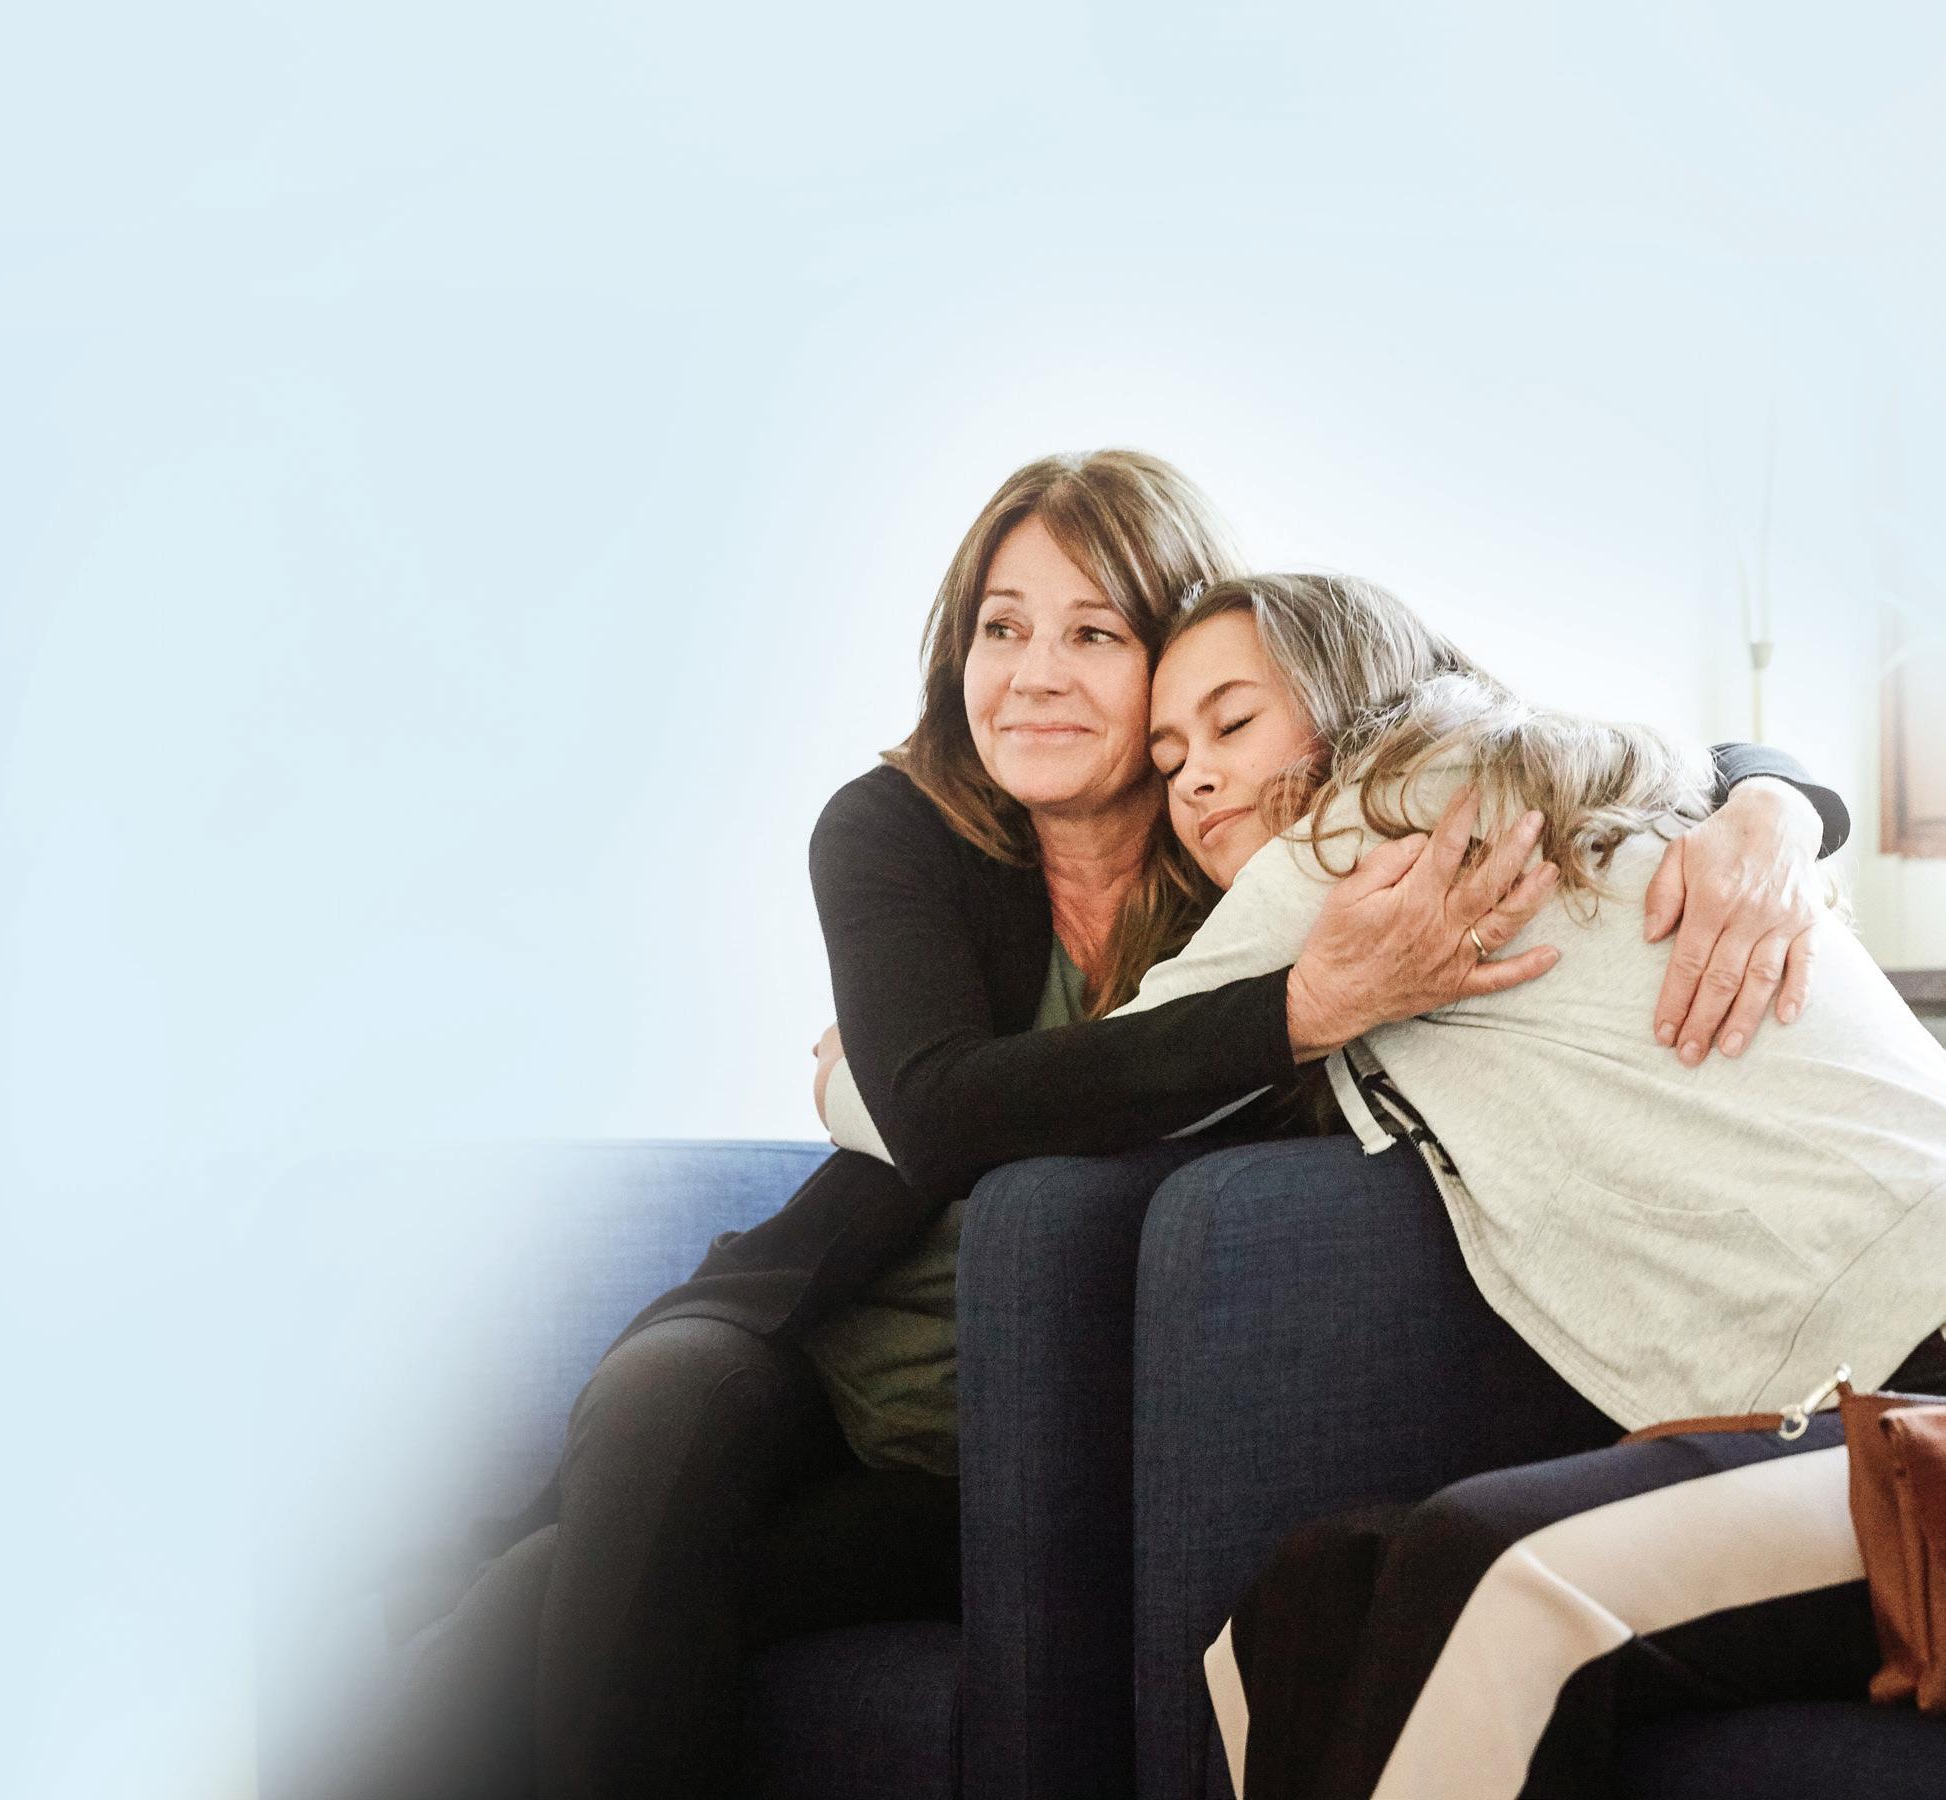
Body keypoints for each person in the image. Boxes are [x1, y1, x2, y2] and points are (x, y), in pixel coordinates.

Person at [330, 454, 1843, 1800]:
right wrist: (1294, 1013)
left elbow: (1540, 734)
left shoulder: (1273, 847)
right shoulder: (895, 831)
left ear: (1181, 656)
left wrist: (1775, 803)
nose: (1034, 675)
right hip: (811, 1338)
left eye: (1094, 634)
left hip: (993, 1436)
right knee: (658, 1422)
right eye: (1001, 629)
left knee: (584, 1593)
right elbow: (941, 1115)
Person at [1116, 570, 1946, 1800]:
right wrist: (1777, 791)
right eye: (1169, 758)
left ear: (1348, 700)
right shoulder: (1580, 789)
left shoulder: (1368, 828)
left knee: (1497, 1569)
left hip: (1916, 1410)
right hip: (1839, 1414)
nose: (1193, 778)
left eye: (1233, 723)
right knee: (1321, 1588)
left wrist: (844, 1071)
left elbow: (1077, 1079)